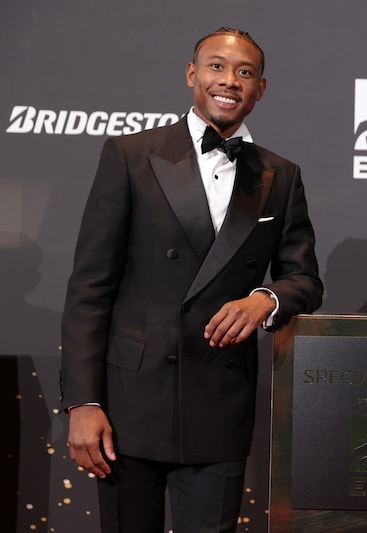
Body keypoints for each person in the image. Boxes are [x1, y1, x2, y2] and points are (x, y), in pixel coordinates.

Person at [60, 27, 323, 532]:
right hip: (127, 406)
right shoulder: (131, 155)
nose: (229, 81)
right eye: (217, 66)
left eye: (245, 72)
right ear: (191, 75)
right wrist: (83, 402)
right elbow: (89, 288)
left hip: (218, 406)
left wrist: (264, 299)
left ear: (260, 89)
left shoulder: (280, 175)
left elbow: (304, 279)